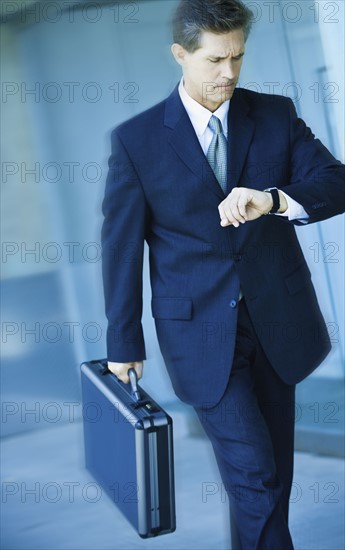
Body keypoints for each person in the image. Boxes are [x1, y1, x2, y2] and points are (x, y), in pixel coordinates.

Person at [101, 1, 345, 548]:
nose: (229, 73)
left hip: (279, 326)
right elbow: (120, 248)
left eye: (238, 56)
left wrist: (275, 199)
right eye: (215, 60)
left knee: (269, 480)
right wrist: (124, 340)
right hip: (200, 336)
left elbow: (335, 181)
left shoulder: (275, 115)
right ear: (180, 55)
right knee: (255, 475)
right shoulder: (137, 142)